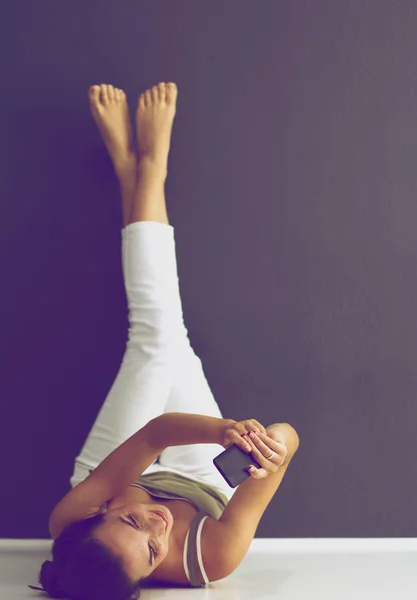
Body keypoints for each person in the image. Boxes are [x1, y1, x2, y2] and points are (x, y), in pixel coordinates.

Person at [29, 82, 299, 600]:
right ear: (148, 579)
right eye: (152, 552)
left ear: (99, 514)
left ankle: (148, 171)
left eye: (132, 524)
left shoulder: (72, 517)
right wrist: (269, 446)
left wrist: (221, 428)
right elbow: (288, 437)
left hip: (118, 463)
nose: (156, 525)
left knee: (155, 340)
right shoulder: (211, 557)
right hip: (202, 480)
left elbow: (155, 436)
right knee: (165, 334)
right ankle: (137, 175)